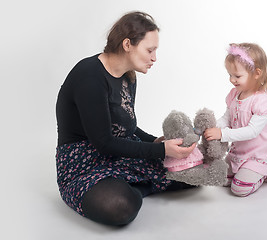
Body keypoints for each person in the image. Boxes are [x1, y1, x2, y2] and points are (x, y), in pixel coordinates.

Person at [55, 11, 196, 226]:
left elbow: (128, 127)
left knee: (192, 174)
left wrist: (156, 142)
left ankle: (136, 182)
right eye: (150, 50)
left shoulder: (128, 75)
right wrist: (161, 151)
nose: (154, 58)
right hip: (83, 164)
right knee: (121, 207)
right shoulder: (89, 76)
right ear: (127, 44)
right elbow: (104, 142)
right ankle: (139, 185)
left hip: (120, 152)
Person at [204, 43, 267, 197]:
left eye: (237, 76)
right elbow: (227, 117)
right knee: (217, 176)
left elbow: (252, 131)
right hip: (238, 153)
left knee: (239, 189)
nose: (232, 80)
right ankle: (239, 173)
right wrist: (214, 127)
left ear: (257, 73)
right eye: (230, 75)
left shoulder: (262, 101)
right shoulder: (234, 94)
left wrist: (222, 134)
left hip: (257, 157)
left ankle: (263, 174)